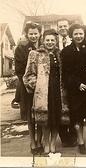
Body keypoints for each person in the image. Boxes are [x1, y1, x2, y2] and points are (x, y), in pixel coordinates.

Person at [23, 29, 62, 154]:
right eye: (47, 40)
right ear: (43, 41)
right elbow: (29, 74)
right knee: (45, 119)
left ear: (56, 42)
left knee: (56, 118)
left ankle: (52, 143)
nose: (50, 42)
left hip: (57, 91)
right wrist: (35, 85)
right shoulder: (35, 54)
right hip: (43, 91)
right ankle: (45, 143)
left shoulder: (60, 54)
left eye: (52, 40)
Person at [61, 23, 86, 154]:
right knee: (78, 117)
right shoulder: (66, 51)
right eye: (75, 33)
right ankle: (81, 141)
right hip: (75, 89)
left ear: (84, 34)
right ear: (71, 35)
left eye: (81, 33)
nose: (78, 36)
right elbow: (65, 73)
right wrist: (78, 84)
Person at [15, 22, 43, 154]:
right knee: (31, 117)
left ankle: (40, 140)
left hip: (43, 86)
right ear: (27, 34)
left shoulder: (44, 46)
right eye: (30, 33)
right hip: (28, 87)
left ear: (39, 33)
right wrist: (31, 82)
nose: (33, 36)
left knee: (42, 113)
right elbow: (19, 71)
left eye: (35, 33)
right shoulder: (21, 49)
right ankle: (33, 142)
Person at [57, 19, 77, 147]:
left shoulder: (74, 40)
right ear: (57, 28)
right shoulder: (53, 41)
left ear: (68, 27)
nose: (63, 28)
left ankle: (74, 135)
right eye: (60, 26)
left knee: (74, 108)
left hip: (73, 79)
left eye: (65, 26)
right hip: (58, 81)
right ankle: (64, 137)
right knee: (60, 109)